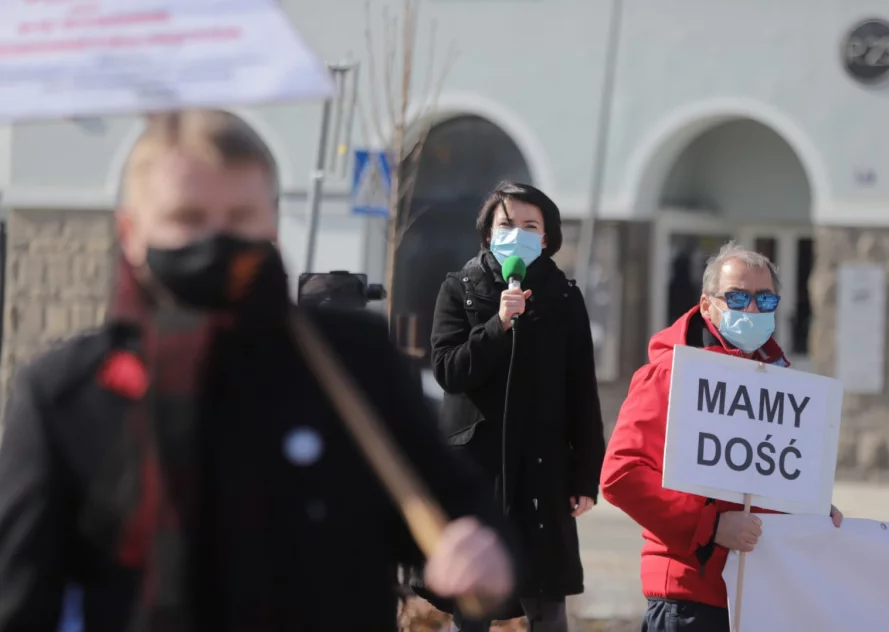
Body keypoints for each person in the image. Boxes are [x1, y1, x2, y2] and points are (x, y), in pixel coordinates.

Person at [0, 110, 517, 632]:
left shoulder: (351, 362)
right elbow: (19, 603)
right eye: (187, 218)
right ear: (131, 232)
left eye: (239, 217)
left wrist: (483, 554)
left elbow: (457, 506)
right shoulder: (67, 397)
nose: (216, 241)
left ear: (270, 223)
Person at [600, 242, 843, 632]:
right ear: (707, 305)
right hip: (690, 598)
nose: (752, 310)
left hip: (759, 598)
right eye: (737, 297)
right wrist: (710, 526)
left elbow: (765, 481)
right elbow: (622, 475)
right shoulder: (669, 374)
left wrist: (811, 509)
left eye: (765, 299)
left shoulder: (779, 385)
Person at [425, 181, 606, 631]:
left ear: (545, 239)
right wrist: (498, 323)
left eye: (530, 226)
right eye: (506, 224)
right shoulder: (460, 289)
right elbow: (448, 371)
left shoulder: (564, 297)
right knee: (472, 601)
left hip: (542, 470)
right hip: (477, 470)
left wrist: (585, 474)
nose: (517, 234)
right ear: (489, 233)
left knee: (546, 599)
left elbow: (581, 391)